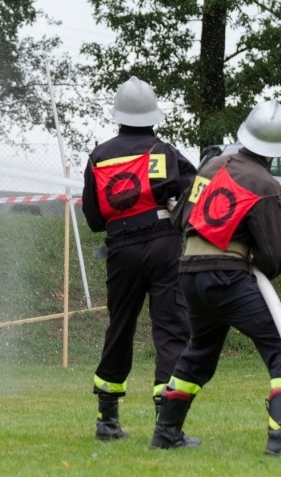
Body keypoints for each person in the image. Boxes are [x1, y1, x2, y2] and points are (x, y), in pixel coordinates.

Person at [150, 100, 281, 456]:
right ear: (278, 149)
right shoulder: (264, 184)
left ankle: (166, 432)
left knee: (200, 350)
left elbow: (182, 217)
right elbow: (274, 257)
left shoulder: (212, 165)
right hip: (227, 276)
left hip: (188, 272)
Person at [82, 76, 197, 441]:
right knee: (170, 327)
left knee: (120, 327)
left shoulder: (99, 156)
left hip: (121, 248)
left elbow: (94, 219)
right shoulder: (164, 151)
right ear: (152, 116)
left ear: (119, 115)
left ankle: (107, 419)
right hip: (164, 244)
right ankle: (167, 425)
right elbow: (194, 187)